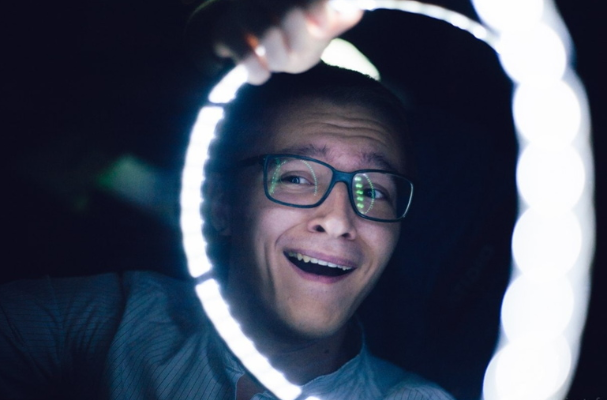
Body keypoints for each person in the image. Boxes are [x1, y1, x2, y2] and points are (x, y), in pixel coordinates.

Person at [0, 1, 455, 399]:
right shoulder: (113, 322)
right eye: (297, 178)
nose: (338, 219)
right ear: (223, 205)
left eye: (373, 191)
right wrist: (210, 28)